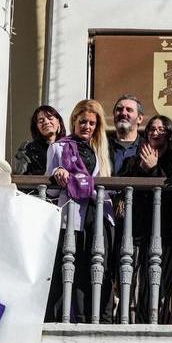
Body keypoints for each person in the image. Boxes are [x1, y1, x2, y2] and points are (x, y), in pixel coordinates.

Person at [44, 99, 113, 322]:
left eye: (92, 123)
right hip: (72, 215)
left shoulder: (99, 149)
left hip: (97, 214)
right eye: (83, 122)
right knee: (68, 266)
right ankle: (60, 318)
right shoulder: (58, 148)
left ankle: (89, 316)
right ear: (74, 121)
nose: (87, 127)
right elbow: (51, 194)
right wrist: (58, 173)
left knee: (92, 267)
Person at [117, 114, 172, 323]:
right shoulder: (131, 161)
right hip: (137, 230)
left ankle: (159, 324)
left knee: (159, 285)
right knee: (133, 282)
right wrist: (140, 169)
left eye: (161, 129)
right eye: (152, 128)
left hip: (165, 232)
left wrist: (154, 168)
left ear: (169, 134)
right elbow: (120, 189)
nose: (155, 132)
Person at [13, 105, 66, 176]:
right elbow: (19, 176)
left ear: (58, 122)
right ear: (37, 127)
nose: (46, 122)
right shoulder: (28, 149)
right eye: (41, 121)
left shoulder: (70, 146)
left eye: (50, 118)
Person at [108, 95, 145, 174]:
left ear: (140, 119)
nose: (123, 113)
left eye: (129, 110)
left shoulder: (149, 148)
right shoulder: (102, 146)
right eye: (119, 109)